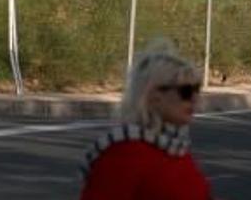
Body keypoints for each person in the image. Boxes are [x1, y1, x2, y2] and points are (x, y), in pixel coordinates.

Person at [78, 43, 213, 200]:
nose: (195, 99)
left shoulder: (176, 148)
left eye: (197, 90)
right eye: (186, 92)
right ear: (153, 95)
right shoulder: (125, 154)